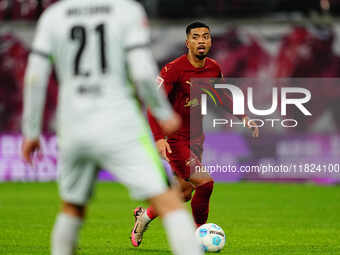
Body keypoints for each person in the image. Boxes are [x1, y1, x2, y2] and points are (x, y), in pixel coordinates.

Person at [21, 1, 203, 255]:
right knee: (168, 199)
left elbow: (35, 76)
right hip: (119, 123)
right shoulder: (126, 10)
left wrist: (31, 131)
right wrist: (163, 112)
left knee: (72, 206)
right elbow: (141, 72)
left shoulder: (54, 15)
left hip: (73, 125)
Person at [131, 21, 259, 247]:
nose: (202, 40)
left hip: (197, 138)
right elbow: (154, 104)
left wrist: (243, 116)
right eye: (196, 37)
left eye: (206, 36)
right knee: (205, 183)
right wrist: (159, 137)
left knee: (184, 192)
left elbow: (221, 96)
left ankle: (144, 217)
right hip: (175, 139)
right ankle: (197, 237)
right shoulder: (173, 70)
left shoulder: (213, 68)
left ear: (210, 41)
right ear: (187, 42)